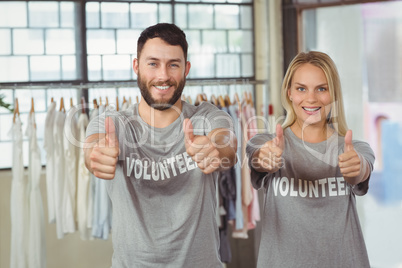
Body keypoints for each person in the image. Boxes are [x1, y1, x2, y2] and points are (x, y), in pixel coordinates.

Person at [84, 23, 237, 267]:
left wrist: (216, 150)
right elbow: (93, 144)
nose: (163, 75)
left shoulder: (207, 116)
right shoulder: (113, 123)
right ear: (136, 66)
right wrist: (96, 154)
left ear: (186, 69)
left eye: (173, 64)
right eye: (153, 63)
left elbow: (227, 142)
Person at [246, 51, 375, 267]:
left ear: (333, 94)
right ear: (289, 93)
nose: (311, 98)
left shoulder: (355, 149)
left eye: (321, 89)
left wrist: (356, 169)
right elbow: (257, 157)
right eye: (301, 88)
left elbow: (362, 169)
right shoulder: (267, 144)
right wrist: (264, 159)